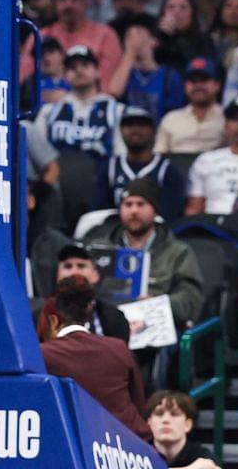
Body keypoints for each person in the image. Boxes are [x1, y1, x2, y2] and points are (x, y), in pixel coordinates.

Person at [40, 276, 152, 443]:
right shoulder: (118, 348)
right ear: (89, 311)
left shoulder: (43, 354)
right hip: (127, 449)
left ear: (53, 319)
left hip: (71, 447)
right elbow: (139, 404)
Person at [84, 179, 206, 328]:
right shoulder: (99, 249)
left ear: (155, 211)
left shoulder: (178, 252)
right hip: (105, 324)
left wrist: (157, 303)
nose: (134, 211)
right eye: (128, 204)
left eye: (141, 204)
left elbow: (190, 301)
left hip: (155, 325)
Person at [95, 107, 186, 223]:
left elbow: (170, 216)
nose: (135, 129)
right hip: (114, 233)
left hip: (156, 235)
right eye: (129, 125)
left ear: (154, 131)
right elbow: (99, 212)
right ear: (121, 131)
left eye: (142, 125)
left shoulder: (167, 170)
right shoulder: (109, 168)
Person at [34, 46, 126, 160]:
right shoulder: (49, 111)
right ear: (64, 75)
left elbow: (122, 153)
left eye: (85, 65)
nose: (79, 70)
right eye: (72, 67)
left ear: (97, 71)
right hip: (59, 175)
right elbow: (38, 155)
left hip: (103, 175)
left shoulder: (115, 110)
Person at [155, 58, 226, 154]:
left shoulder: (228, 117)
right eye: (193, 81)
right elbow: (159, 155)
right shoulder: (170, 119)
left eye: (204, 80)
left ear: (217, 85)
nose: (198, 86)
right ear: (185, 86)